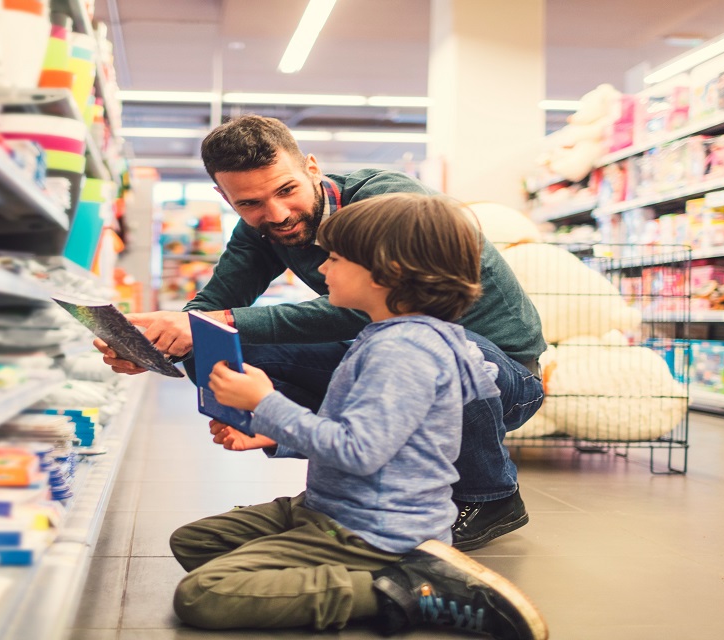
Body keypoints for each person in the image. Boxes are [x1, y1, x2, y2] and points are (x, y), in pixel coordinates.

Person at [97, 114, 546, 551]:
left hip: (499, 373)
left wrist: (218, 322)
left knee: (442, 349)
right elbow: (214, 305)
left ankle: (492, 497)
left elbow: (371, 310)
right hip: (389, 355)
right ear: (225, 196)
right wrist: (160, 343)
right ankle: (341, 467)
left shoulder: (388, 203)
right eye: (248, 203)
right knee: (209, 351)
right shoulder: (261, 227)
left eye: (286, 190)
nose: (276, 214)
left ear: (311, 167)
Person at [169, 193, 547, 638]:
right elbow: (383, 439)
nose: (322, 269)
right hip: (332, 506)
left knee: (202, 593)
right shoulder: (391, 337)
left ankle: (404, 589)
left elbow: (359, 451)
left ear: (388, 274)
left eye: (334, 258)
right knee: (194, 542)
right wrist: (273, 437)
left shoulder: (403, 351)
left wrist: (264, 403)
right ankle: (326, 560)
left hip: (369, 528)